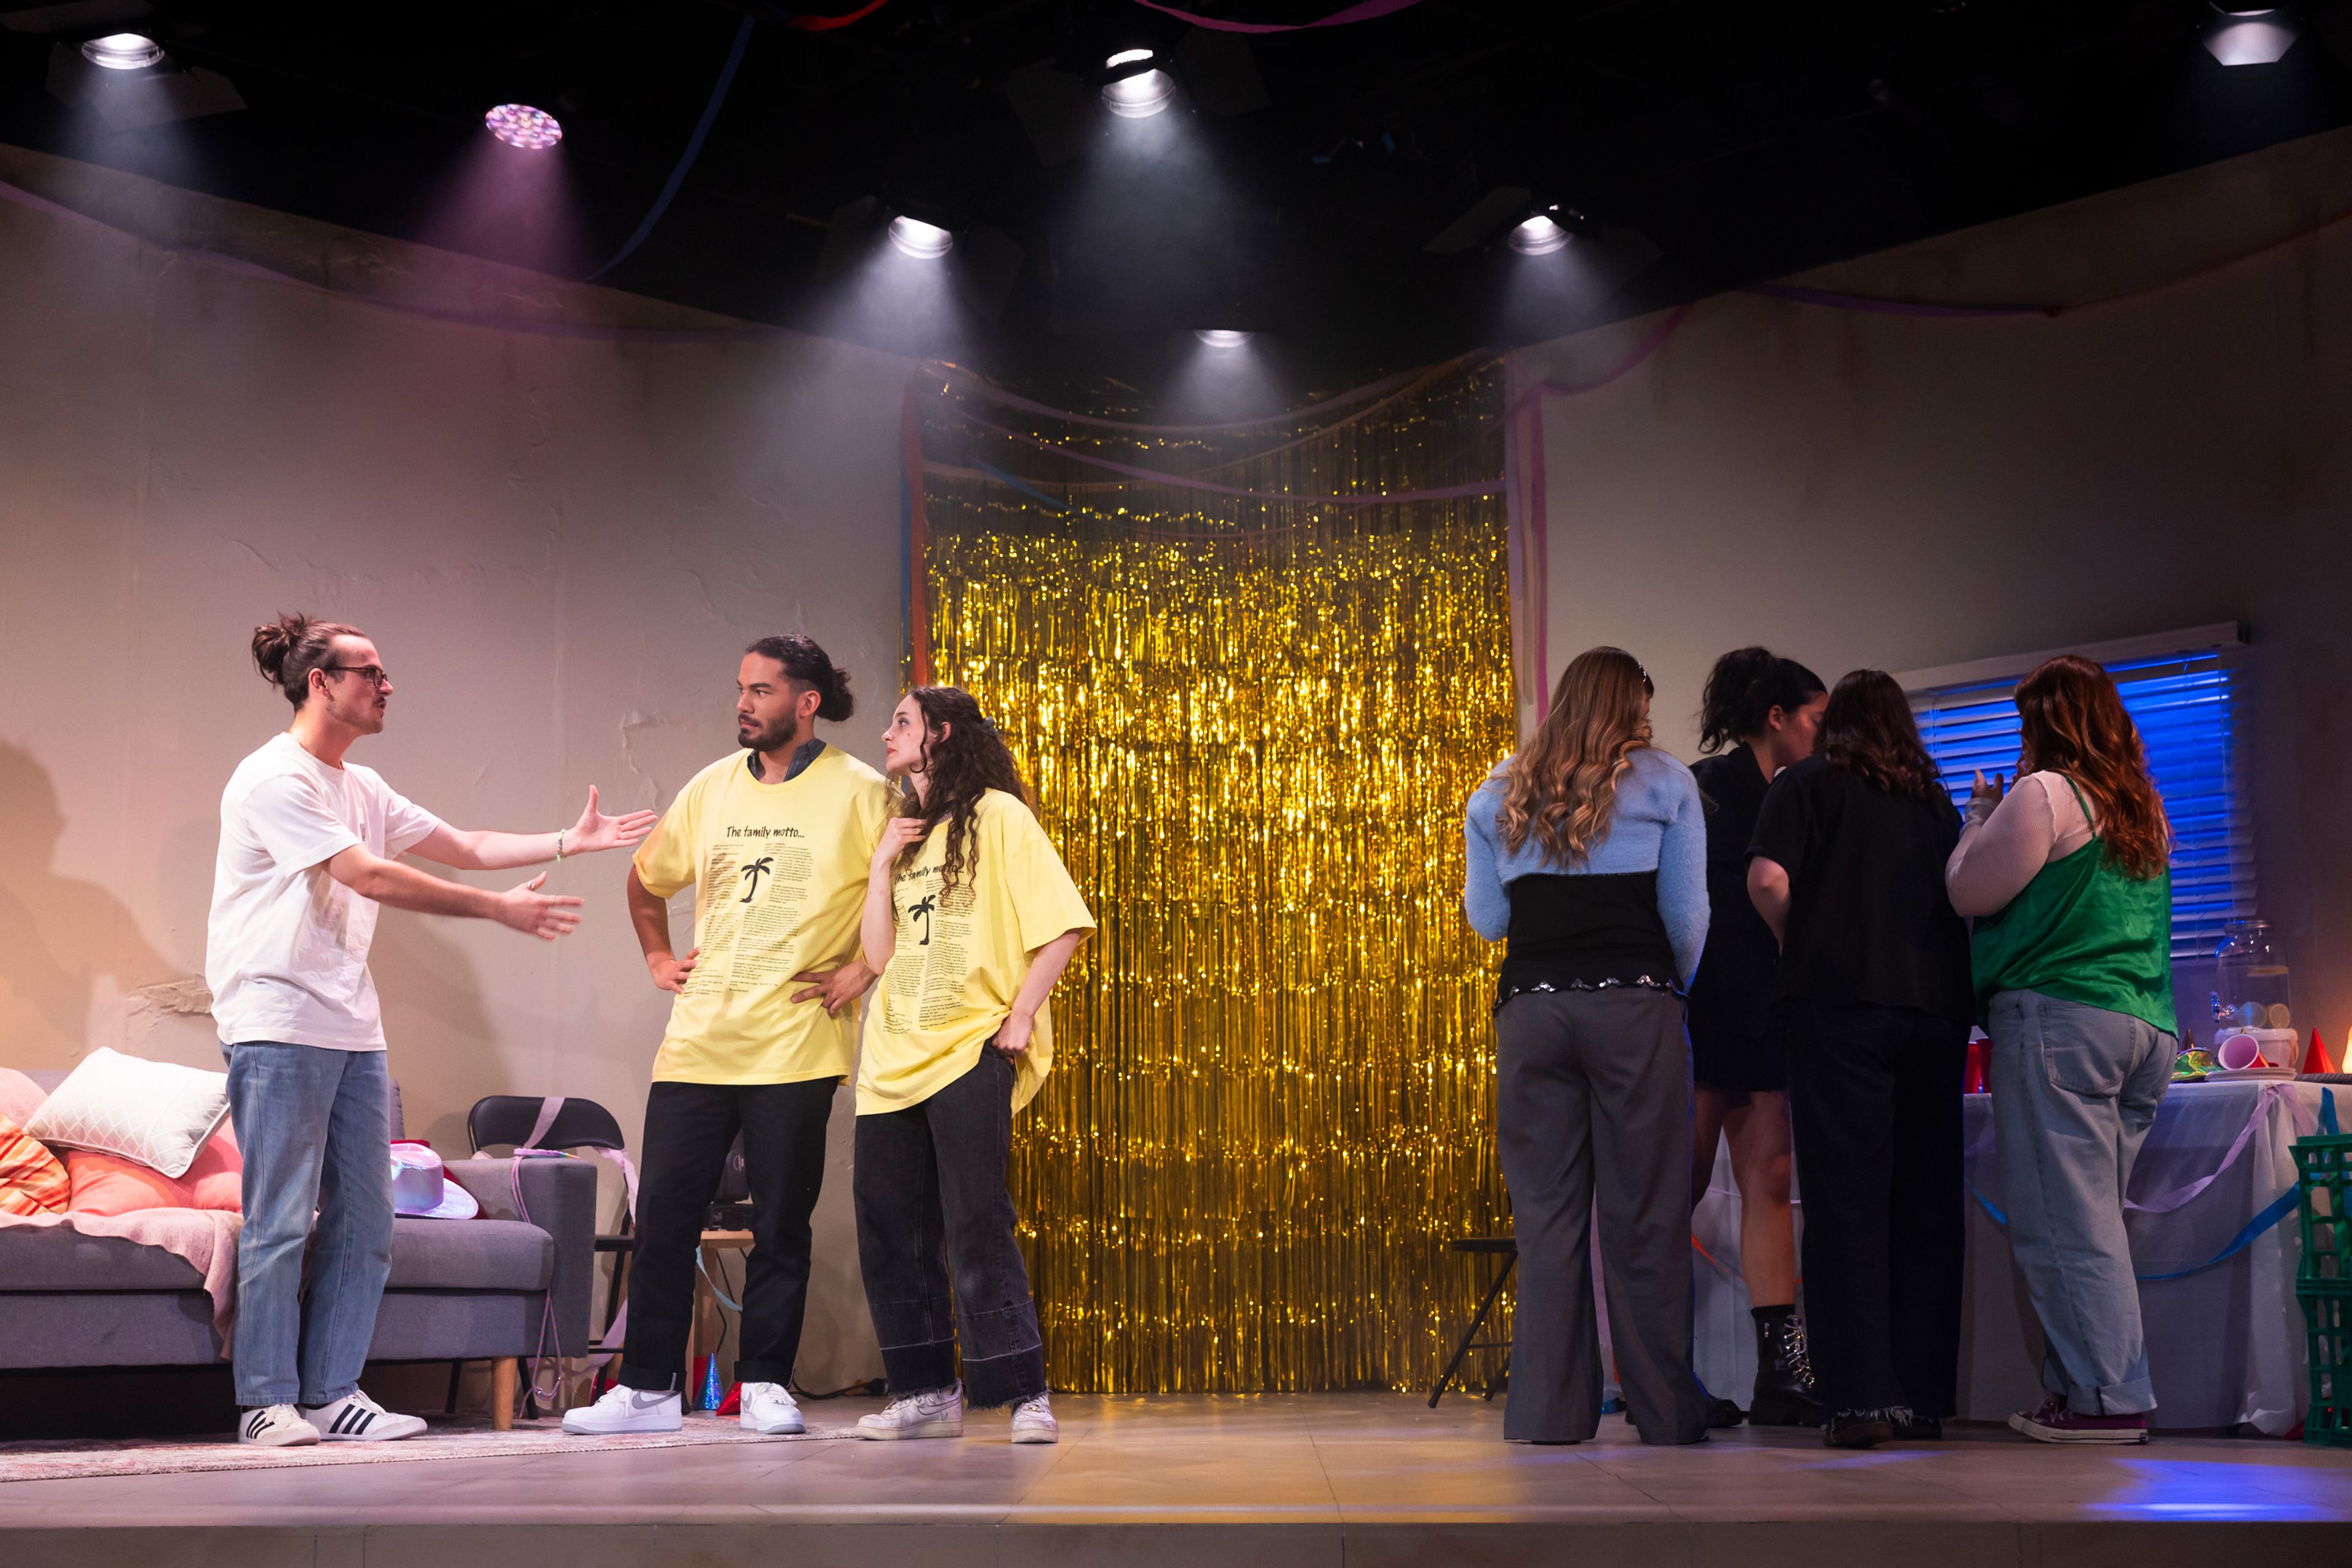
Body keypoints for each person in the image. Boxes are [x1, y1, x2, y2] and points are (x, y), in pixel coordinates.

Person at [210, 614, 652, 1447]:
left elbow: (465, 843)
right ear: (321, 683)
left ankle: (333, 1392)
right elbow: (366, 874)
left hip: (352, 1031)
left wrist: (568, 839)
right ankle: (264, 1400)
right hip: (276, 1024)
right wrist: (499, 913)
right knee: (278, 1220)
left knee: (367, 1223)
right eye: (369, 672)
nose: (386, 687)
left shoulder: (363, 786)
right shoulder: (274, 779)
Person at [564, 636, 890, 1437]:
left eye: (763, 691)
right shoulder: (711, 788)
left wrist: (862, 971)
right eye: (741, 688)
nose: (744, 703)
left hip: (796, 1046)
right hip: (699, 1044)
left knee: (782, 1223)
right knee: (667, 1218)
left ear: (807, 702)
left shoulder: (863, 793)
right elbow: (646, 877)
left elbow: (913, 895)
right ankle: (645, 1390)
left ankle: (768, 1383)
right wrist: (657, 955)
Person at [1463, 646, 1711, 1447]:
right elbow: (1688, 921)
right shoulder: (1670, 783)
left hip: (1531, 1013)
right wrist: (1665, 994)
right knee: (1644, 1213)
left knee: (1547, 1218)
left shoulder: (1497, 792)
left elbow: (1490, 922)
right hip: (1632, 1008)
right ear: (1633, 704)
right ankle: (1667, 1412)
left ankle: (1549, 1413)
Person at [848, 687, 1093, 1444]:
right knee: (891, 1229)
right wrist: (882, 864)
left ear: (941, 733)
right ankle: (924, 1391)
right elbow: (879, 956)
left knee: (978, 1224)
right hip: (890, 1059)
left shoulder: (1001, 817)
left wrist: (1021, 1014)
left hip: (968, 1048)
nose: (886, 733)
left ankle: (1024, 1393)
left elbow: (1066, 924)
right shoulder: (903, 834)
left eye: (902, 722)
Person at [1945, 655, 2174, 1444]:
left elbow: (1970, 890)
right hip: (2144, 1025)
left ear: (2044, 724)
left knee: (2063, 1227)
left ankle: (2105, 1402)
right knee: (2093, 1221)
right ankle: (2081, 1388)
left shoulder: (2046, 793)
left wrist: (1976, 815)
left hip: (2062, 1020)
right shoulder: (2139, 804)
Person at [1747, 669, 1972, 1449]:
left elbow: (1768, 879)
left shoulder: (1805, 784)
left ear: (1832, 721)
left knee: (1847, 1200)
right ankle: (1924, 1397)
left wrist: (1794, 936)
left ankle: (1860, 1401)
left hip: (1840, 1009)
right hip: (1936, 1013)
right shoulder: (1935, 802)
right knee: (1927, 1202)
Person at [1686, 648, 1827, 1427]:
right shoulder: (1705, 790)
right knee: (1681, 1182)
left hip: (1768, 1004)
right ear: (1776, 718)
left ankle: (1781, 1371)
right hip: (1706, 1003)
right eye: (1815, 720)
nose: (1825, 736)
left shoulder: (1805, 790)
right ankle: (1659, 1367)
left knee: (1771, 1180)